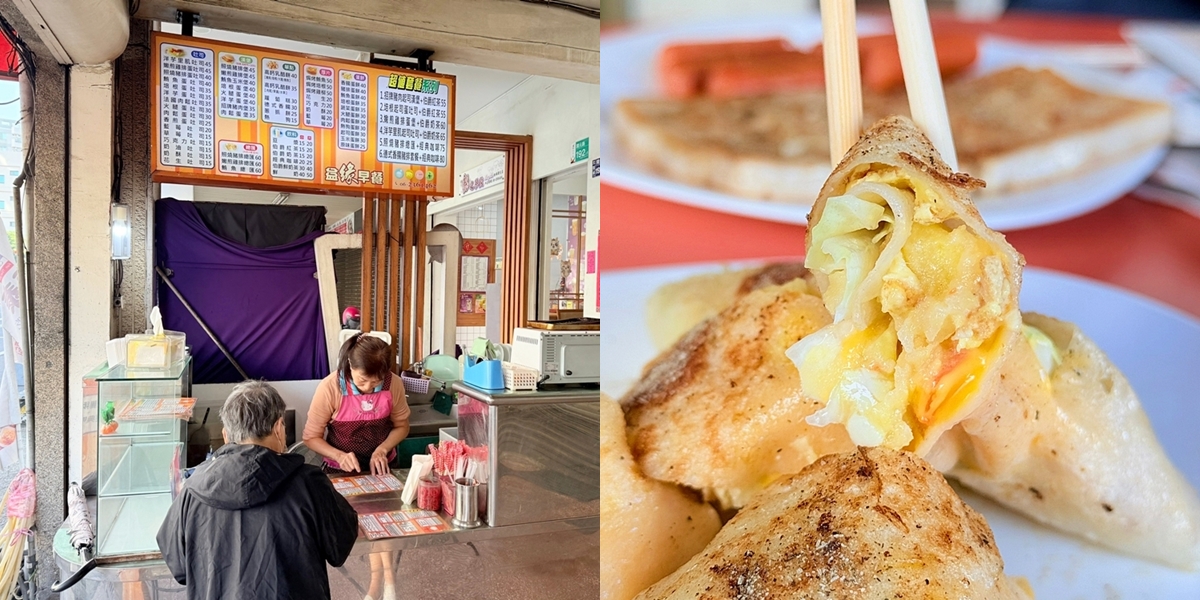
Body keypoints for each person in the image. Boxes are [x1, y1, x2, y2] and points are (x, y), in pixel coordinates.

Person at [157, 380, 358, 600]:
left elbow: (179, 568)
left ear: (226, 435)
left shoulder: (192, 490)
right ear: (279, 428)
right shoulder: (310, 483)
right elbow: (339, 547)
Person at [304, 332, 410, 600]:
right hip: (342, 471)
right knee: (363, 528)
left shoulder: (392, 384)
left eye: (374, 382)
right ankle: (381, 585)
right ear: (350, 366)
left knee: (384, 525)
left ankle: (384, 586)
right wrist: (339, 455)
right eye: (362, 380)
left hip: (381, 468)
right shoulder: (330, 387)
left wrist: (384, 448)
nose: (368, 387)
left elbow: (402, 426)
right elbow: (311, 437)